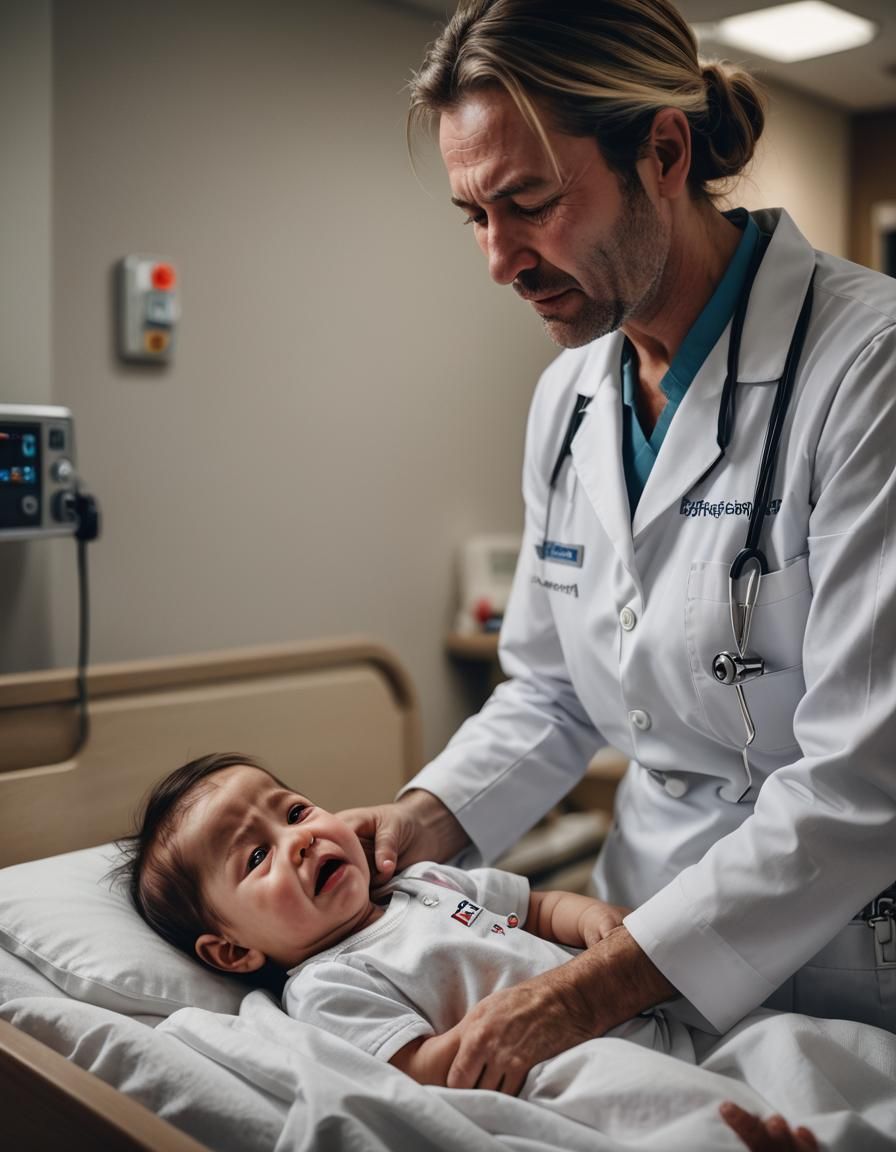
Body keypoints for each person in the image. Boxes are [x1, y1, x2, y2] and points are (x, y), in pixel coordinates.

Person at [340, 0, 896, 1097]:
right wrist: (418, 822)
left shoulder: (864, 368)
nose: (499, 260)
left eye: (529, 203)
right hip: (628, 928)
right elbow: (549, 694)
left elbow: (860, 777)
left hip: (838, 967)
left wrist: (575, 992)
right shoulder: (569, 398)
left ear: (662, 150)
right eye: (472, 216)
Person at [124, 752, 818, 1152]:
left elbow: (538, 905)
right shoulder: (328, 984)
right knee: (698, 1123)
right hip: (567, 1067)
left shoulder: (421, 880)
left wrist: (594, 922)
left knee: (797, 1048)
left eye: (295, 810)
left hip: (650, 1016)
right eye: (255, 856)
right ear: (233, 952)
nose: (299, 839)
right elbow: (420, 1074)